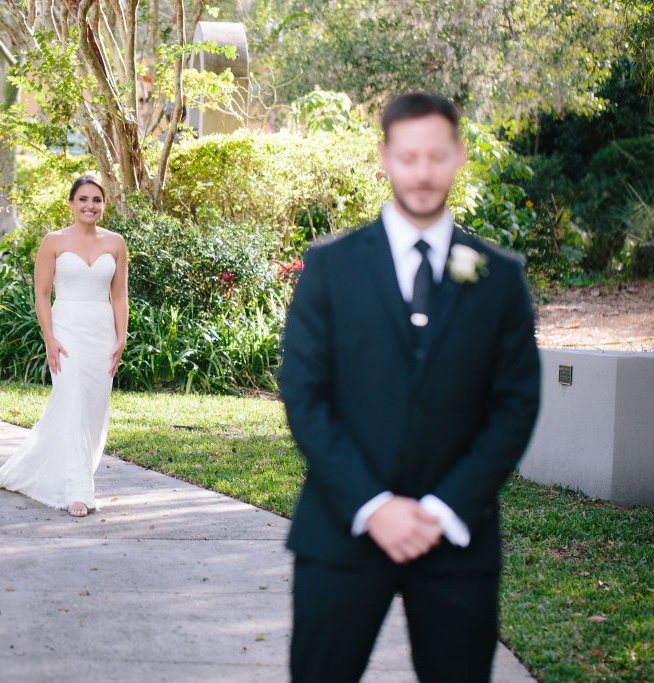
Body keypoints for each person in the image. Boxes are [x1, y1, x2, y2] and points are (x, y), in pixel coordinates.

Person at [278, 92, 542, 683]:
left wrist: (444, 508)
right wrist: (374, 508)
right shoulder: (331, 266)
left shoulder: (499, 277)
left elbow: (515, 405)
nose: (422, 173)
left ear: (459, 157)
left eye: (436, 156)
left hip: (455, 541)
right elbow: (304, 394)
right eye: (408, 157)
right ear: (385, 159)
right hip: (341, 533)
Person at [0, 175, 129, 518]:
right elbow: (41, 295)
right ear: (71, 203)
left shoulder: (116, 243)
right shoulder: (53, 241)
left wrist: (121, 337)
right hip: (66, 330)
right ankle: (78, 490)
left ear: (104, 205)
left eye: (96, 200)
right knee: (70, 401)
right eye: (83, 199)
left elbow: (119, 295)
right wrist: (50, 338)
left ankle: (56, 471)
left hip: (101, 334)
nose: (90, 205)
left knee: (93, 411)